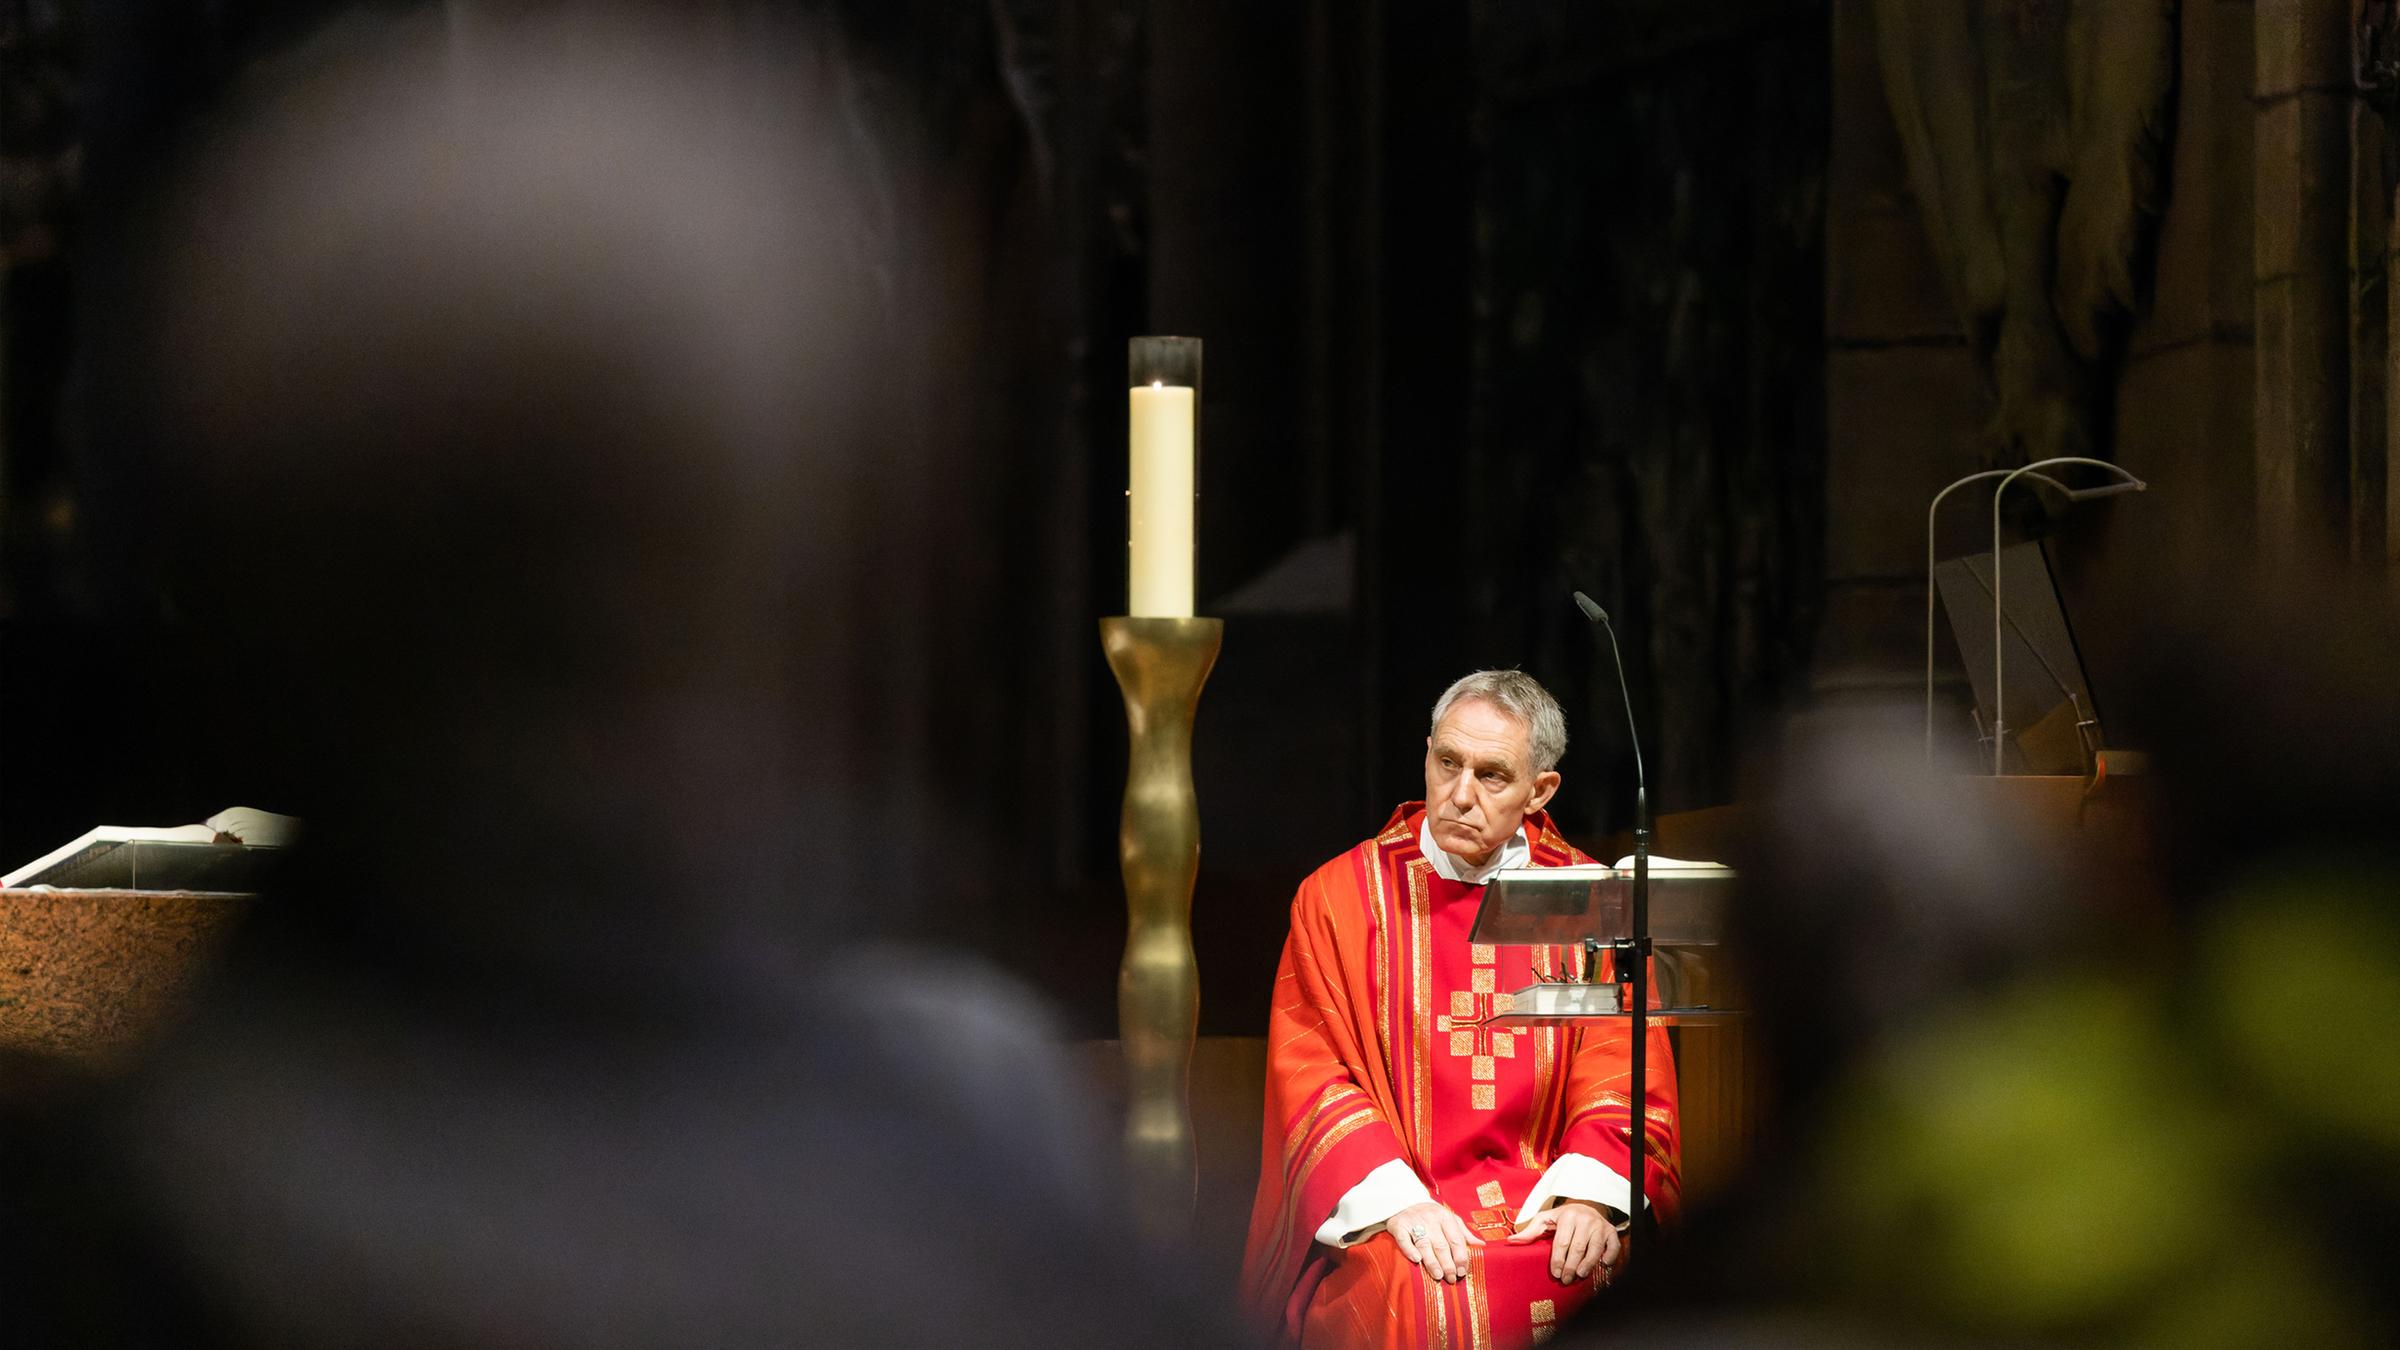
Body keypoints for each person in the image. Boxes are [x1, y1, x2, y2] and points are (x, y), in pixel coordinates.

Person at [1239, 670, 1681, 1349]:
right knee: (1416, 1288)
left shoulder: (1591, 902)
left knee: (1592, 1267)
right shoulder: (1341, 898)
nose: (1461, 794)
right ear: (1426, 754)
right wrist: (1397, 1204)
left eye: (1492, 775)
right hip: (1401, 1197)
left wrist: (1591, 1198)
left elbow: (1619, 1065)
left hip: (1546, 1191)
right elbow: (1311, 1072)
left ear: (1541, 791)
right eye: (1447, 763)